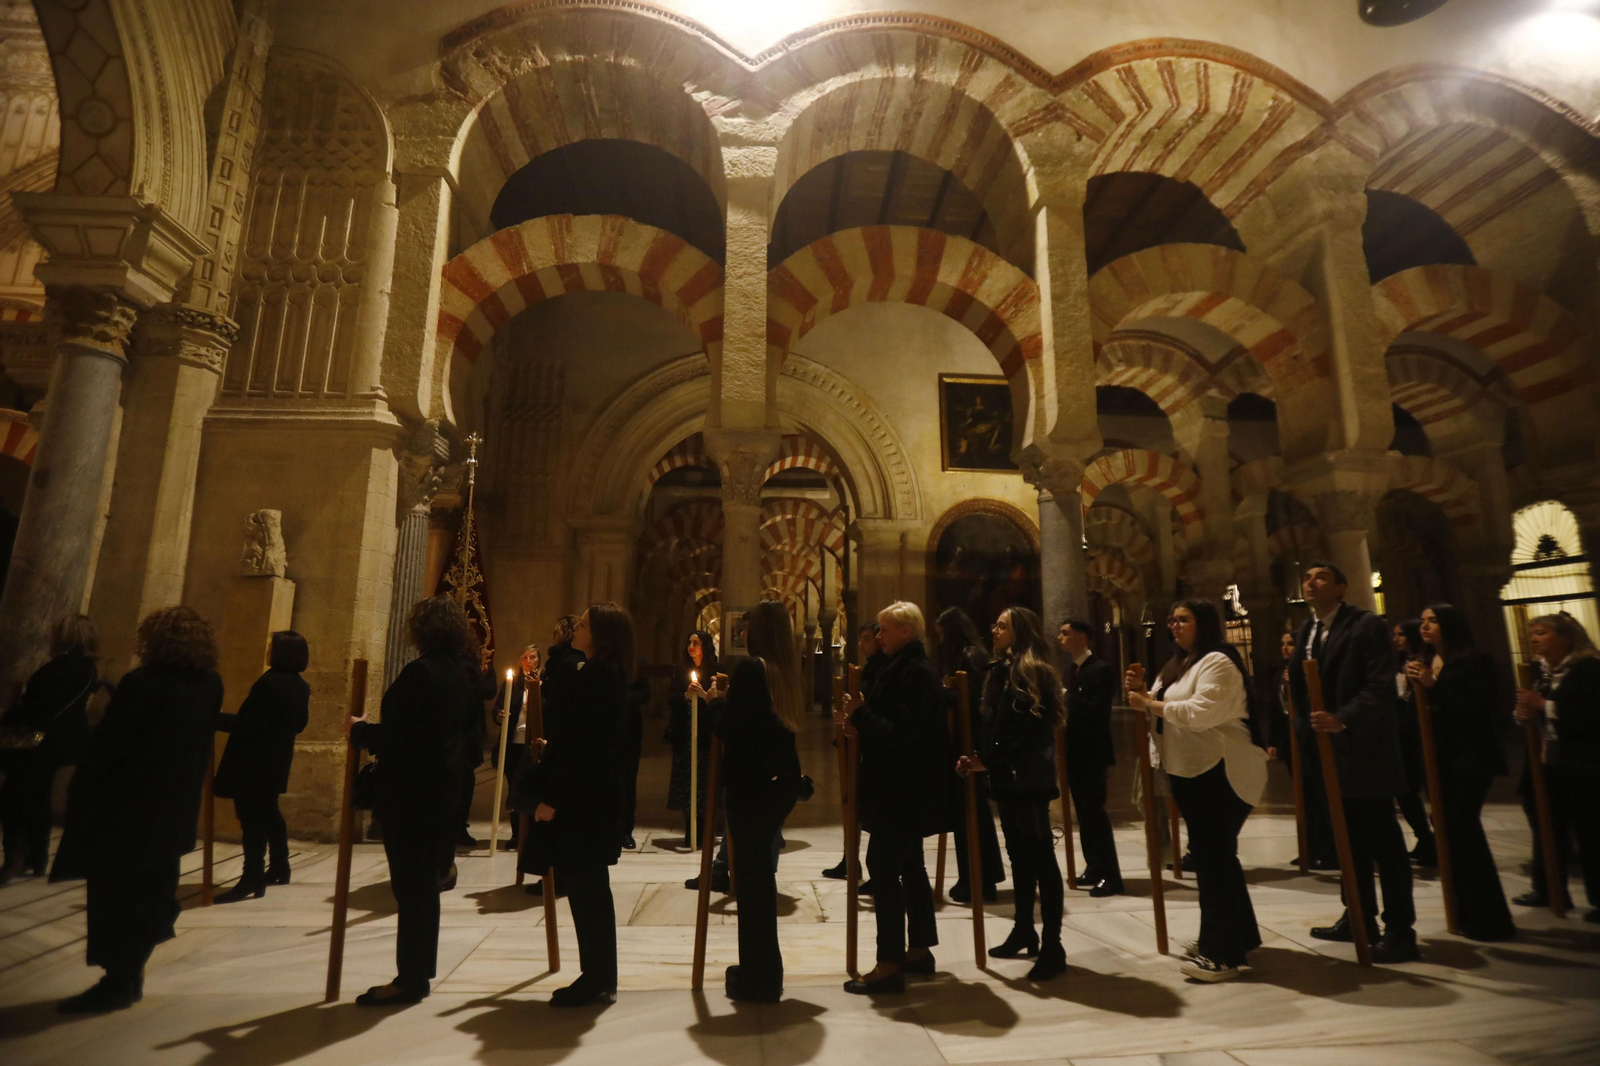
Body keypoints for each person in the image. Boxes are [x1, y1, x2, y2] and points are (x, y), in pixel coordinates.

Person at [50, 607, 224, 1014]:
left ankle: (119, 981)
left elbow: (110, 746)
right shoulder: (210, 684)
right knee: (154, 892)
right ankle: (130, 973)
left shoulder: (142, 684)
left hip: (128, 809)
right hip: (175, 806)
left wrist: (81, 789)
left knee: (116, 898)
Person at [1127, 599, 1267, 982]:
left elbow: (1199, 713)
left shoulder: (1218, 662)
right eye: (1172, 620)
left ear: (1203, 623)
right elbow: (1160, 705)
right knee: (1215, 856)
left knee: (1212, 859)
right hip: (1190, 771)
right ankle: (1239, 934)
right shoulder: (1178, 664)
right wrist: (1144, 696)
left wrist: (1149, 703)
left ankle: (1222, 953)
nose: (1175, 625)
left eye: (1183, 619)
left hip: (1223, 770)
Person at [346, 596, 477, 1006]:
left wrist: (359, 730)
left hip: (412, 792)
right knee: (424, 885)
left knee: (411, 886)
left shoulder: (421, 672)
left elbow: (397, 732)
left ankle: (411, 979)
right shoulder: (460, 671)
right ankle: (419, 972)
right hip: (443, 788)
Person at [1292, 561, 1419, 963]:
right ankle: (1358, 917)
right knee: (1346, 839)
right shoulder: (1306, 630)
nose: (1311, 583)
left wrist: (1342, 718)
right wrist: (1304, 729)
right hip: (1325, 749)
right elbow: (1299, 687)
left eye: (1321, 577)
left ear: (1341, 588)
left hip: (1365, 748)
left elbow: (1380, 686)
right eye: (1307, 577)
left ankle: (1400, 930)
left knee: (1383, 842)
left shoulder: (1365, 625)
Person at [690, 600, 804, 1002]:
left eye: (748, 626)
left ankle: (761, 978)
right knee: (758, 880)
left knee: (752, 884)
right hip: (776, 785)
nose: (744, 632)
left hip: (752, 787)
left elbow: (732, 730)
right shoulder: (784, 670)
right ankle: (760, 968)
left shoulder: (752, 669)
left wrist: (714, 702)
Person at [835, 601, 950, 995]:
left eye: (885, 630)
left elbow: (903, 735)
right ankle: (918, 951)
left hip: (903, 788)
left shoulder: (914, 673)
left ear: (906, 631)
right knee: (911, 866)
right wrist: (859, 724)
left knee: (881, 865)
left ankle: (888, 965)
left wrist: (861, 715)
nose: (879, 636)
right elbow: (888, 724)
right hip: (901, 786)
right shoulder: (899, 667)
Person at [532, 603, 632, 1007]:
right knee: (591, 889)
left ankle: (597, 979)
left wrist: (551, 799)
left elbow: (580, 747)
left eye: (586, 625)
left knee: (587, 891)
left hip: (585, 801)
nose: (577, 628)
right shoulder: (609, 672)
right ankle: (600, 976)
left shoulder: (595, 675)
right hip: (597, 795)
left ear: (602, 635)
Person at [963, 607, 1067, 980]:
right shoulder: (1000, 670)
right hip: (1007, 779)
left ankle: (1053, 945)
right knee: (1019, 858)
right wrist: (981, 757)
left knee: (1041, 859)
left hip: (1029, 780)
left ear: (1020, 631)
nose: (994, 629)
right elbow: (995, 726)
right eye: (994, 624)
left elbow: (1027, 733)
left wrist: (989, 760)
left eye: (1002, 625)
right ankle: (1024, 929)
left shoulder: (1033, 671)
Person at [1407, 604, 1515, 941]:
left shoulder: (1474, 661)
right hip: (1439, 756)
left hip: (1470, 755)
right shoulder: (1427, 661)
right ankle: (1464, 911)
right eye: (1423, 621)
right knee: (1447, 830)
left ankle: (1490, 918)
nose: (1425, 626)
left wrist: (1433, 685)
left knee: (1463, 828)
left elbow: (1479, 709)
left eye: (1433, 621)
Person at [212, 631, 311, 902]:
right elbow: (300, 724)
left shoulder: (269, 683)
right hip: (277, 760)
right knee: (269, 813)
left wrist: (214, 718)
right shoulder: (301, 686)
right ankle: (280, 866)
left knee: (252, 820)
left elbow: (249, 724)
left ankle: (252, 876)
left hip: (253, 762)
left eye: (272, 647)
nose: (268, 650)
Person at [1514, 612, 1600, 920]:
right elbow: (1531, 710)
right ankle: (1549, 887)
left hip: (1581, 762)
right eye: (1533, 633)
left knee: (1590, 831)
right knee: (1546, 825)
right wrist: (1523, 712)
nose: (1534, 638)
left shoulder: (1588, 669)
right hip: (1546, 761)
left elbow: (1593, 714)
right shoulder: (1539, 670)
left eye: (1542, 633)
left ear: (1567, 638)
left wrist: (1544, 706)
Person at [0, 615, 98, 884]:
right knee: (37, 795)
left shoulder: (56, 669)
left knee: (13, 795)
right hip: (72, 742)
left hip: (46, 742)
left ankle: (17, 855)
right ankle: (38, 855)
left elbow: (37, 710)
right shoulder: (89, 668)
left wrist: (7, 716)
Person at [935, 606, 1002, 903]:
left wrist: (944, 693)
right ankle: (972, 876)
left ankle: (981, 878)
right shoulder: (963, 655)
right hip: (961, 742)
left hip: (970, 742)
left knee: (973, 814)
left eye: (941, 635)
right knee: (965, 814)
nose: (940, 641)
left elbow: (974, 699)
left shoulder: (971, 656)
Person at [1059, 617, 1122, 897]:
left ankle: (1111, 875)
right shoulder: (1070, 669)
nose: (1060, 638)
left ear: (1081, 637)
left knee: (1095, 813)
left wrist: (1065, 696)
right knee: (1083, 814)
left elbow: (1097, 710)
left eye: (1065, 633)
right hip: (1073, 751)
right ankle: (1094, 866)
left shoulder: (1100, 670)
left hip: (1092, 752)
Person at [823, 622, 886, 883]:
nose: (861, 644)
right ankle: (850, 859)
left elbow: (873, 708)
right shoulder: (870, 669)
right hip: (859, 741)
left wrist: (855, 713)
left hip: (872, 746)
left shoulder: (882, 670)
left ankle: (870, 868)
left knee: (865, 807)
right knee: (852, 803)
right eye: (861, 639)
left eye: (867, 638)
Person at [1392, 621, 1438, 866]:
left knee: (1433, 789)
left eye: (1401, 634)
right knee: (1405, 790)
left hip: (1425, 732)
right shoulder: (1395, 663)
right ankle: (1423, 837)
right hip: (1403, 733)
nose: (1397, 639)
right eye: (1395, 635)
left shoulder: (1430, 660)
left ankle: (1441, 841)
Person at [667, 630, 718, 846]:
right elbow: (672, 698)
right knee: (686, 783)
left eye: (696, 643)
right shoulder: (681, 671)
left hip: (705, 734)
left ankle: (705, 830)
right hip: (685, 734)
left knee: (705, 782)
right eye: (689, 642)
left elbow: (720, 700)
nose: (691, 646)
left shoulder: (715, 671)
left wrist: (704, 695)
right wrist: (686, 695)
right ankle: (690, 829)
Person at [493, 644, 540, 852]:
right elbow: (498, 706)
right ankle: (515, 834)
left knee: (532, 789)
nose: (529, 661)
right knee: (514, 788)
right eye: (525, 657)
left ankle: (531, 834)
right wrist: (499, 714)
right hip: (514, 743)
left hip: (533, 743)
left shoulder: (542, 683)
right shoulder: (512, 684)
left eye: (533, 657)